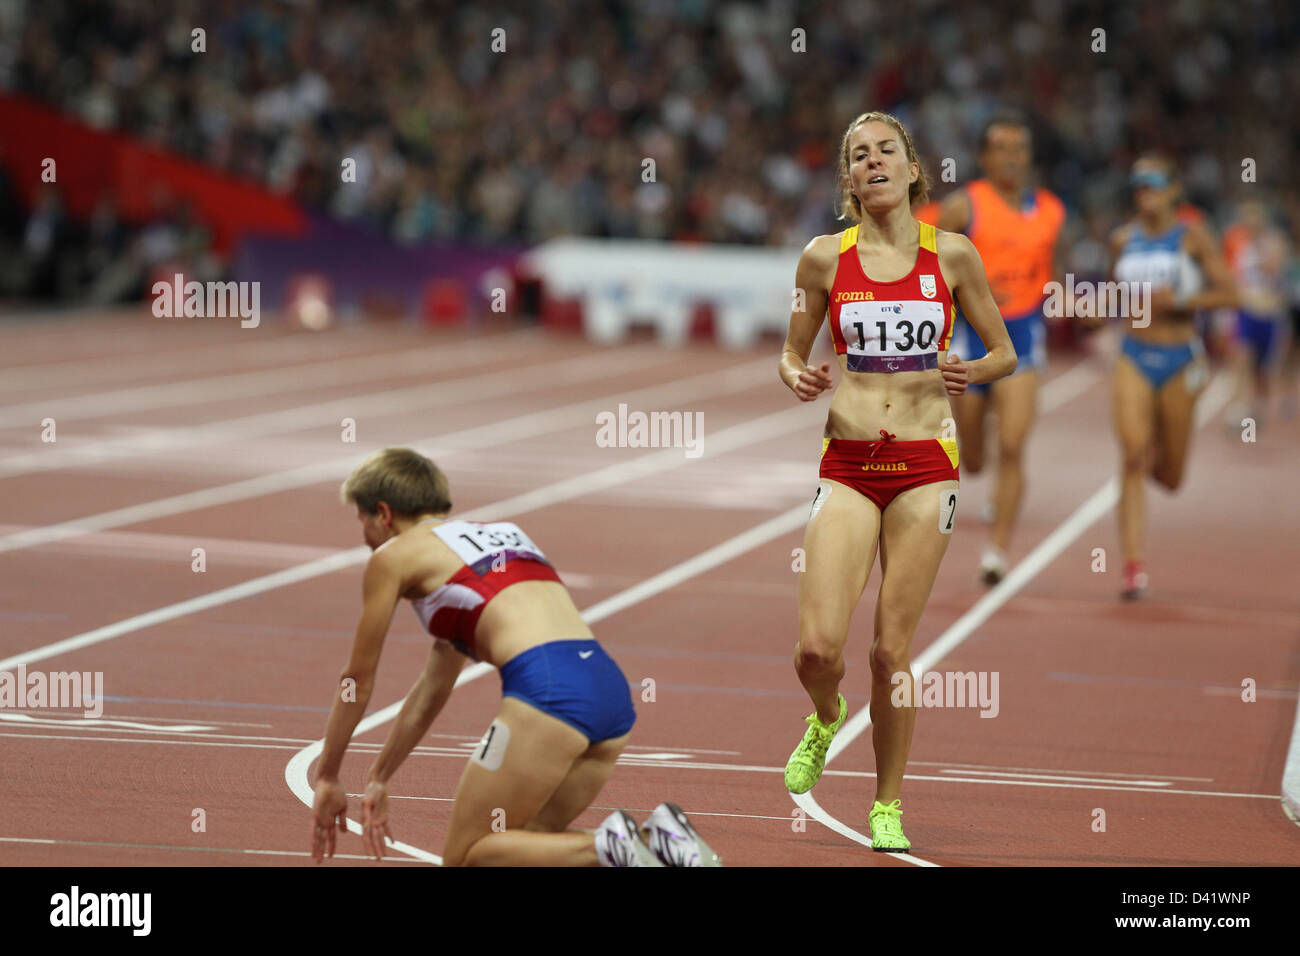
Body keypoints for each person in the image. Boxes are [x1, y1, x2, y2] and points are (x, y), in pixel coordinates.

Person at [778, 112, 1015, 850]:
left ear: (914, 170)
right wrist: (798, 374)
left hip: (923, 467)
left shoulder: (954, 257)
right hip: (848, 464)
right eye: (858, 155)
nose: (872, 162)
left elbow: (1004, 352)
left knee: (890, 651)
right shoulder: (822, 259)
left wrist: (969, 370)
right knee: (817, 648)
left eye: (886, 151)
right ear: (847, 179)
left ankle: (887, 803)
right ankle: (825, 715)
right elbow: (789, 352)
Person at [309, 448, 720, 867]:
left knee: (469, 855)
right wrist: (378, 777)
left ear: (383, 513)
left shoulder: (392, 556)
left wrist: (327, 777)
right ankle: (656, 838)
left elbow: (356, 680)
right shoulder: (503, 534)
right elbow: (434, 687)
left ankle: (635, 846)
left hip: (549, 690)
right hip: (608, 690)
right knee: (521, 847)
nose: (363, 537)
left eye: (361, 521)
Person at [935, 114, 1066, 585]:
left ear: (1029, 157)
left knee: (1013, 446)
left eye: (1020, 148)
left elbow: (1054, 271)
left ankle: (997, 551)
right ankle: (977, 441)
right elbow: (929, 275)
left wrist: (1063, 297)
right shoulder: (961, 207)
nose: (1011, 156)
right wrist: (975, 292)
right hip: (972, 338)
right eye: (1001, 147)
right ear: (985, 157)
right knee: (971, 461)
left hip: (1025, 336)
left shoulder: (1051, 211)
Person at [1109, 155, 1236, 599]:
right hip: (1133, 354)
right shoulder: (1123, 238)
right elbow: (1112, 297)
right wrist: (1088, 309)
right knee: (1131, 455)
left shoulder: (1193, 237)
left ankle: (1160, 453)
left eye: (1153, 183)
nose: (1144, 191)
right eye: (1138, 184)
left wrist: (1182, 300)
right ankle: (1131, 565)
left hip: (1180, 358)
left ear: (1174, 190)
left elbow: (1230, 293)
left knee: (1171, 476)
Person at [1221, 199, 1292, 427]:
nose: (1249, 224)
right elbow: (1232, 275)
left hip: (1269, 313)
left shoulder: (1274, 242)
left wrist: (1261, 251)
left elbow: (1274, 267)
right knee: (1241, 358)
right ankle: (1238, 410)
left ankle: (1258, 408)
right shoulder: (1239, 244)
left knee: (1262, 370)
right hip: (1247, 310)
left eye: (1253, 219)